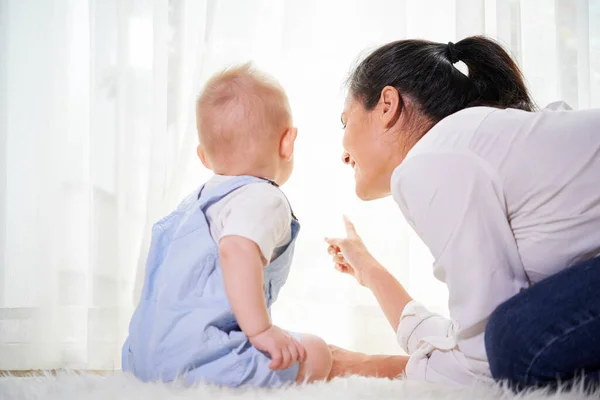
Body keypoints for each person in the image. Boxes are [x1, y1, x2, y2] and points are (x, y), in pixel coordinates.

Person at [325, 36, 600, 390]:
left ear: (387, 105)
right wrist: (369, 269)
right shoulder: (472, 141)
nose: (344, 154)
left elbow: (485, 362)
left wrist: (369, 365)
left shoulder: (433, 160)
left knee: (512, 340)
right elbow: (472, 335)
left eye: (344, 121)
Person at [122, 63, 332, 388]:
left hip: (140, 359)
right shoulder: (262, 196)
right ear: (287, 142)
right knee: (317, 352)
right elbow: (236, 248)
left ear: (203, 157)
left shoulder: (195, 204)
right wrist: (260, 331)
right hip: (200, 360)